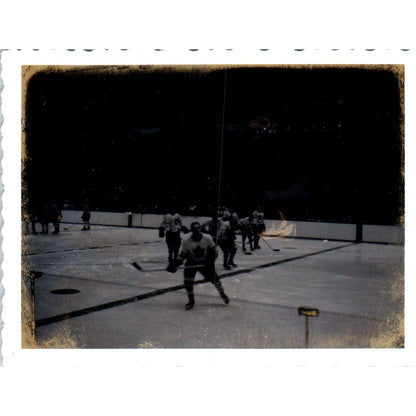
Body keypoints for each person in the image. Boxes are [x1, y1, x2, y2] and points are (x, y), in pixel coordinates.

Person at [169, 222, 230, 310]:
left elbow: (214, 251)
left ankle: (222, 293)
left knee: (215, 280)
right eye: (194, 229)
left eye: (198, 228)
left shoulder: (207, 238)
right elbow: (183, 255)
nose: (196, 231)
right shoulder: (187, 242)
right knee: (188, 281)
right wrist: (175, 264)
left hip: (205, 263)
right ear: (192, 230)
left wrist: (210, 260)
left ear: (200, 229)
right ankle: (191, 300)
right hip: (192, 262)